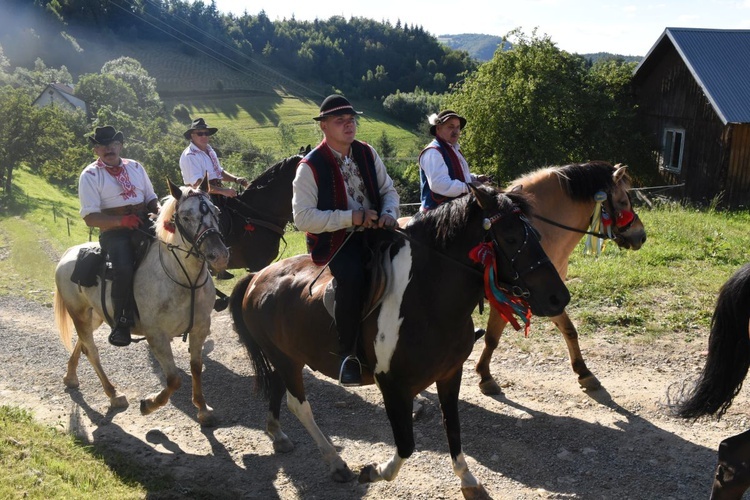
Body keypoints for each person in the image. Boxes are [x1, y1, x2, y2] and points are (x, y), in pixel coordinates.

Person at [292, 94, 400, 386]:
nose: (348, 125)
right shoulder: (310, 166)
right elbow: (302, 217)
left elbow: (388, 190)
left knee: (417, 256)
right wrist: (349, 218)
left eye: (351, 119)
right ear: (323, 126)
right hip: (338, 240)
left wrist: (389, 213)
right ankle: (349, 355)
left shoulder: (367, 152)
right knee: (352, 277)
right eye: (340, 121)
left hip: (378, 230)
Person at [78, 126, 160, 347]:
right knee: (123, 267)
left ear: (120, 146)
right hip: (114, 233)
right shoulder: (90, 175)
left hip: (144, 222)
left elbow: (151, 197)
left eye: (112, 144)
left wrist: (159, 211)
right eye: (103, 145)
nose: (108, 149)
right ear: (96, 150)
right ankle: (122, 322)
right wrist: (121, 221)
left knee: (176, 247)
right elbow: (90, 217)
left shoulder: (135, 166)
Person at [179, 117, 247, 279]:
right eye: (200, 133)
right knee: (217, 224)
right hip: (199, 197)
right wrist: (224, 191)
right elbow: (197, 184)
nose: (204, 136)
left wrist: (236, 179)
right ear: (191, 136)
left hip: (215, 192)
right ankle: (217, 267)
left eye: (206, 133)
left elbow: (220, 172)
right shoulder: (189, 156)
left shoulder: (209, 150)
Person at [418, 110, 490, 212]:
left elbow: (458, 176)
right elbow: (439, 183)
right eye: (451, 127)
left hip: (455, 210)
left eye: (458, 127)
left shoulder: (453, 149)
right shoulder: (433, 152)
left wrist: (475, 178)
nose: (456, 131)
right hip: (436, 214)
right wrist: (470, 187)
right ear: (438, 128)